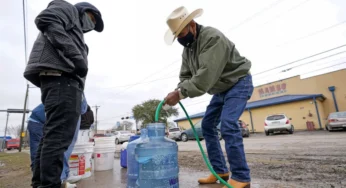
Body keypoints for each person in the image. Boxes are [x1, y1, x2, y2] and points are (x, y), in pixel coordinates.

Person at [163, 6, 253, 188]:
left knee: (228, 124)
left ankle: (242, 178)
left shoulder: (212, 38)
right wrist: (179, 89)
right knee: (207, 126)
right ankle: (220, 171)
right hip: (220, 89)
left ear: (192, 25)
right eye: (177, 36)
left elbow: (205, 76)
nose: (181, 38)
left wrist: (180, 94)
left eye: (182, 33)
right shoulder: (188, 50)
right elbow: (185, 77)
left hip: (238, 83)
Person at [23, 0, 104, 187]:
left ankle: (41, 184)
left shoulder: (75, 33)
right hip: (62, 80)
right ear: (84, 11)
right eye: (91, 18)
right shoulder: (67, 9)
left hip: (61, 81)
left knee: (52, 138)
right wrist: (75, 55)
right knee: (57, 139)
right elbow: (46, 19)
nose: (90, 25)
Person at [27, 94, 88, 187]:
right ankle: (58, 179)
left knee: (44, 151)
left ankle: (44, 180)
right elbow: (65, 146)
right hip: (38, 122)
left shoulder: (67, 97)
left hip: (37, 120)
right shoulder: (73, 105)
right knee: (50, 150)